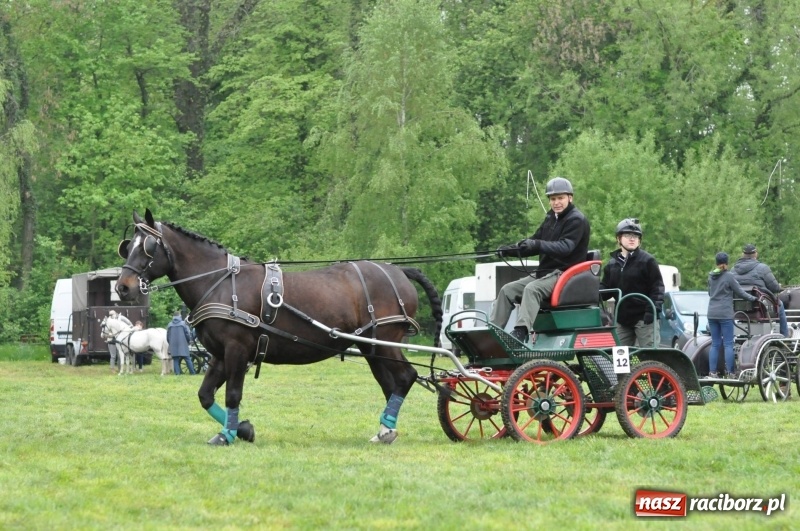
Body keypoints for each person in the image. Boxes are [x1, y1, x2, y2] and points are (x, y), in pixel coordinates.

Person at [491, 177, 591, 343]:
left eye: (560, 198)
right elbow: (534, 241)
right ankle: (493, 333)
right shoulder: (551, 218)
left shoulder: (576, 220)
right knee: (507, 290)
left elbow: (565, 247)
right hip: (545, 273)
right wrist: (509, 250)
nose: (556, 202)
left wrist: (536, 244)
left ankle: (520, 332)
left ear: (570, 198)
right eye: (553, 199)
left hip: (565, 274)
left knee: (532, 289)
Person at [599, 218, 665, 347]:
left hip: (644, 317)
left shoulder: (647, 261)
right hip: (622, 319)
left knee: (650, 353)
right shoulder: (612, 265)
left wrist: (652, 311)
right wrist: (590, 291)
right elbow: (606, 290)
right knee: (617, 354)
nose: (632, 239)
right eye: (628, 235)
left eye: (636, 236)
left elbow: (657, 288)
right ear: (618, 238)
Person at [707, 252, 756, 379]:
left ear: (716, 262)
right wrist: (753, 299)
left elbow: (710, 293)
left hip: (711, 313)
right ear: (726, 263)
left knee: (715, 344)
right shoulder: (729, 276)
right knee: (728, 344)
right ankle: (731, 372)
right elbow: (740, 292)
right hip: (725, 314)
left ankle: (712, 372)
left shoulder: (710, 276)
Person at [732, 243, 789, 337]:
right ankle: (785, 336)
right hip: (760, 306)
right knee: (780, 304)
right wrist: (780, 287)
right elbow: (774, 288)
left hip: (738, 309)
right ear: (755, 254)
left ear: (743, 254)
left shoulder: (733, 270)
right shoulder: (763, 268)